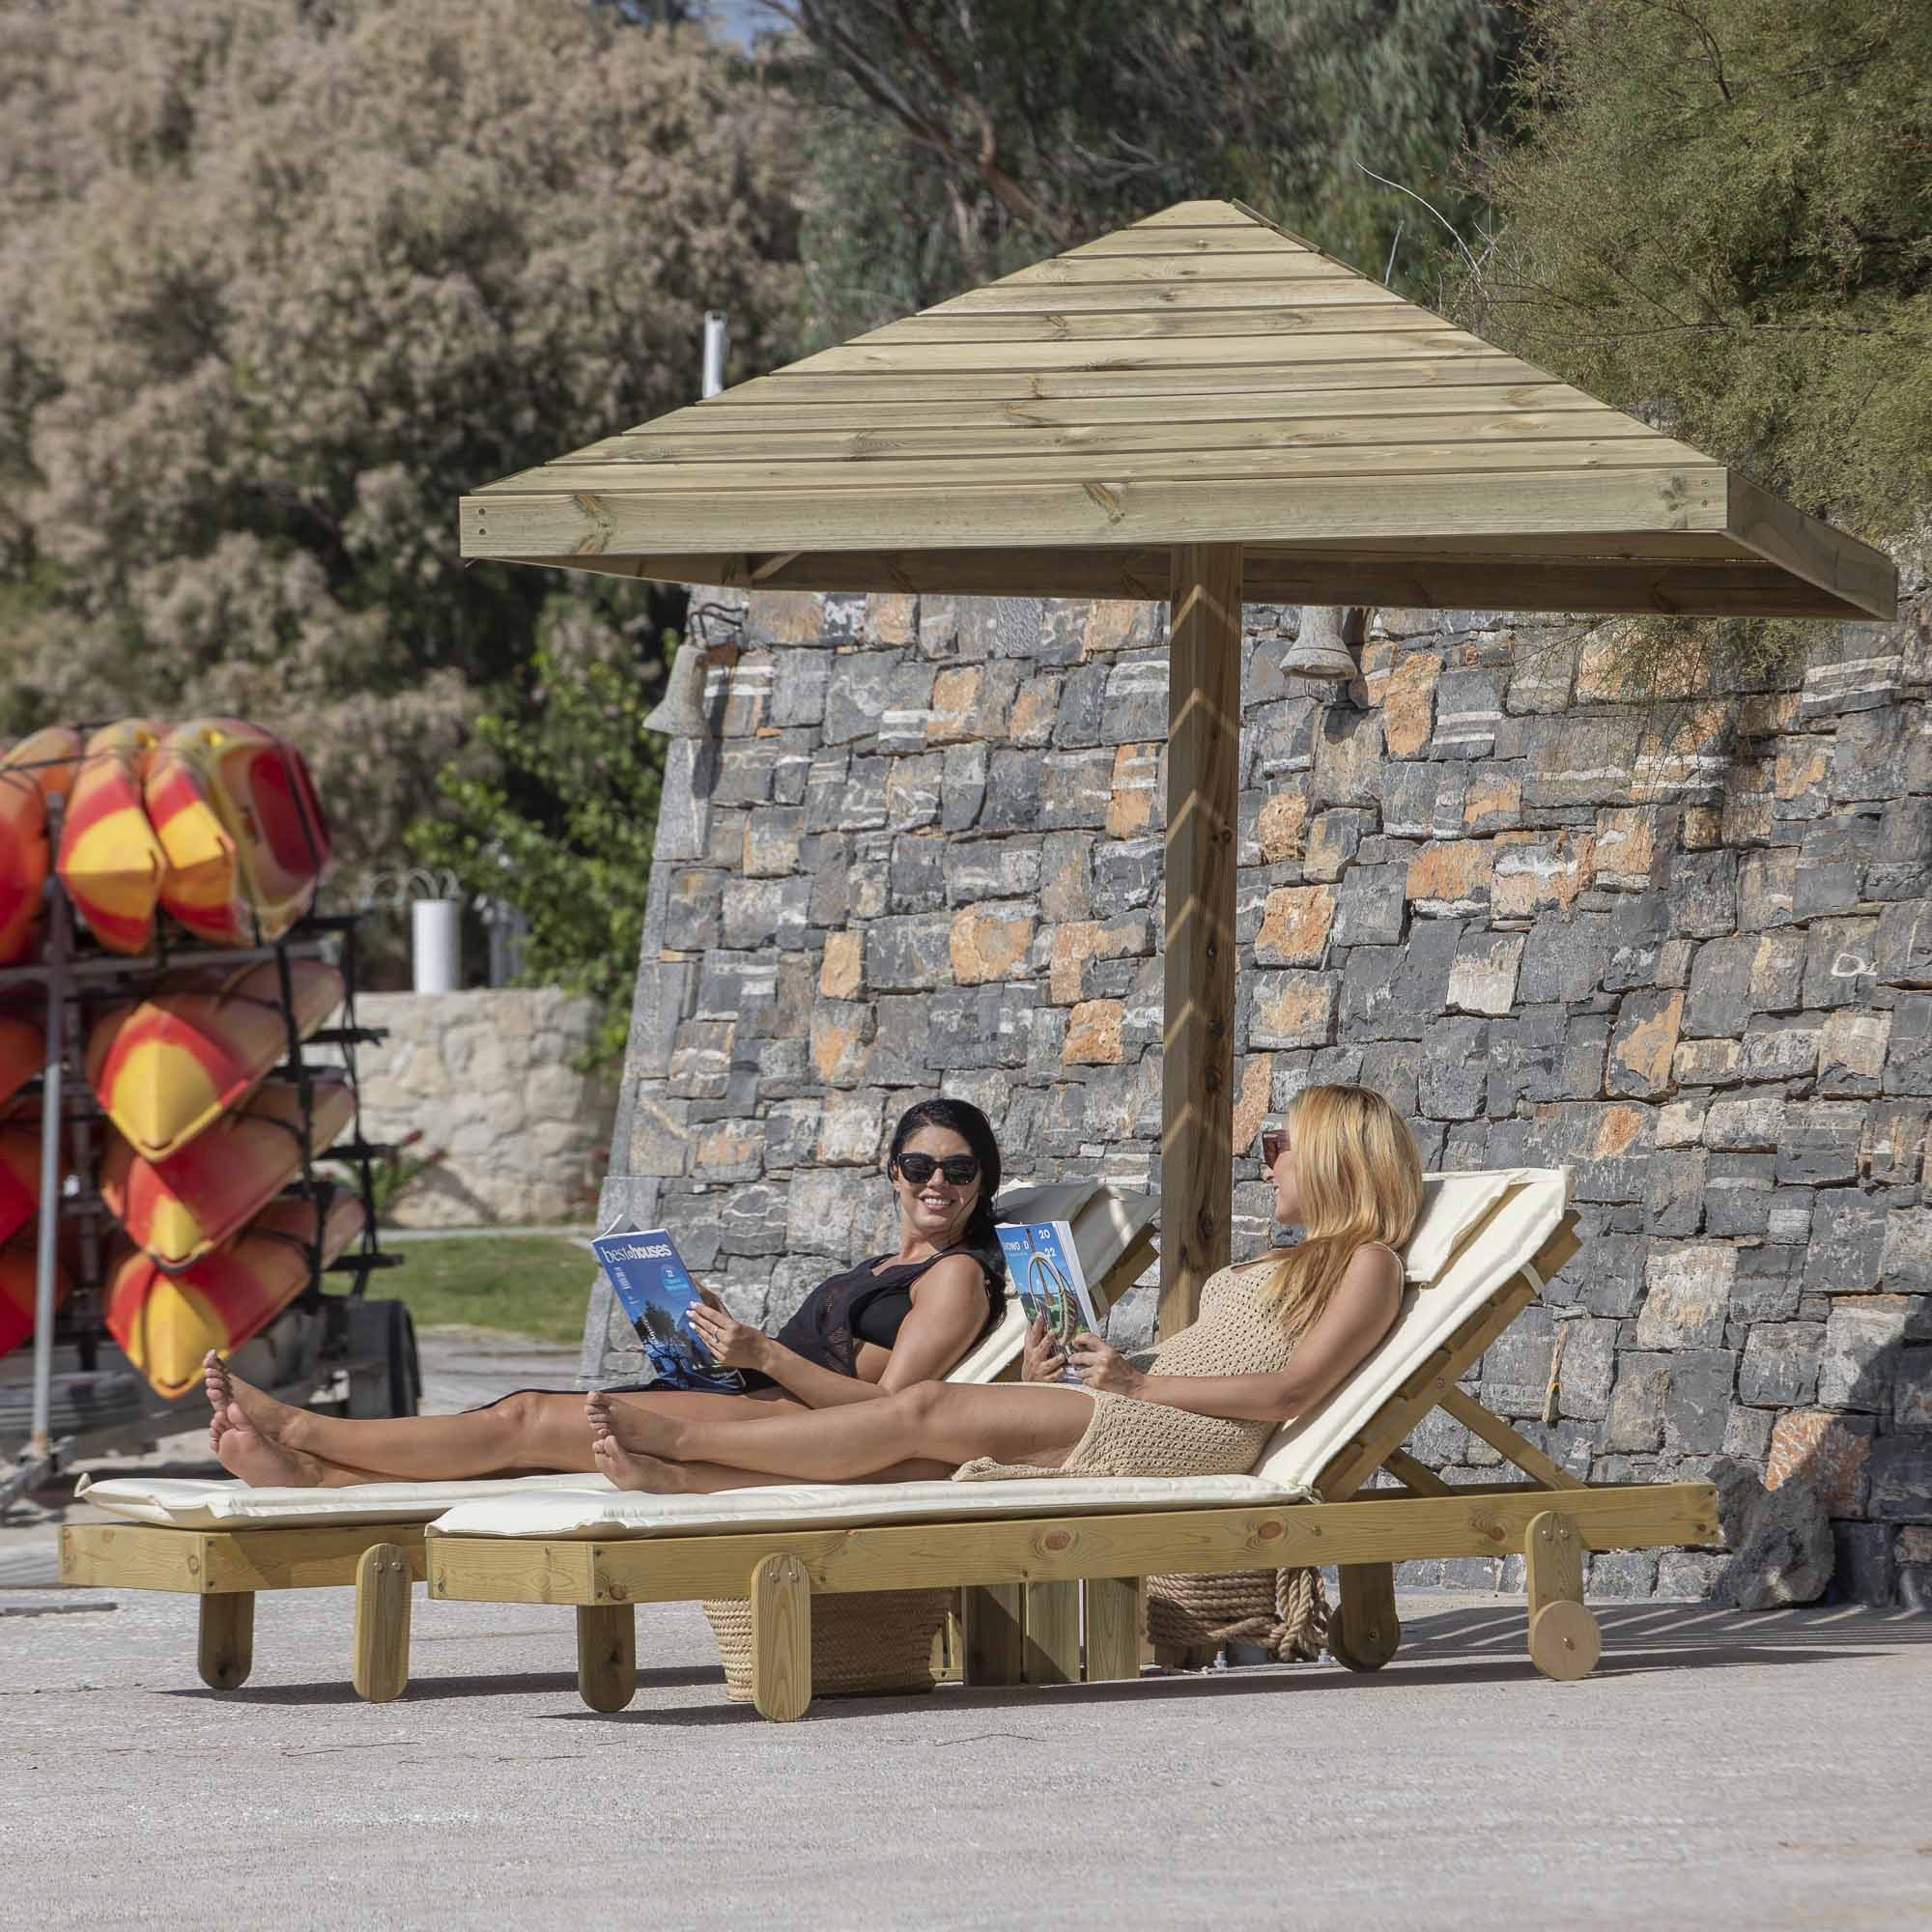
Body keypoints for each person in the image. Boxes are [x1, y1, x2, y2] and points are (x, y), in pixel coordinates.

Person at [584, 1083, 1422, 1494]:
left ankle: (684, 1442)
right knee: (923, 1458)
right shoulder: (1263, 1266)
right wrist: (1071, 1373)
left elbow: (1292, 1390)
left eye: (1279, 1145)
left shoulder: (1368, 1262)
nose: (1266, 1163)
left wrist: (1136, 1385)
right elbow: (1202, 1362)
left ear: (1336, 1158)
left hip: (1196, 1435)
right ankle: (690, 1482)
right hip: (1148, 1405)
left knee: (924, 1407)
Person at [201, 1098, 1009, 1488]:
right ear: (891, 1172)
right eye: (920, 1166)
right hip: (750, 1397)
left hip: (783, 1427)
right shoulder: (881, 1267)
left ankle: (302, 1426)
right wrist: (709, 1325)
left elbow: (894, 1416)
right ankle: (321, 1477)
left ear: (981, 1182)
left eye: (958, 1169)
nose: (936, 1182)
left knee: (526, 1418)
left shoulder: (957, 1277)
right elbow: (813, 1362)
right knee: (529, 1437)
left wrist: (763, 1355)